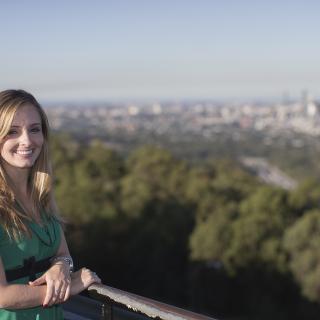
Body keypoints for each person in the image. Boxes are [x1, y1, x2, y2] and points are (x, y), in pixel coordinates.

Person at [0, 89, 101, 319]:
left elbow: (63, 253)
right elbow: (1, 295)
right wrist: (69, 288)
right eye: (12, 131)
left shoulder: (41, 198)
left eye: (34, 129)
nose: (26, 140)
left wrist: (62, 267)